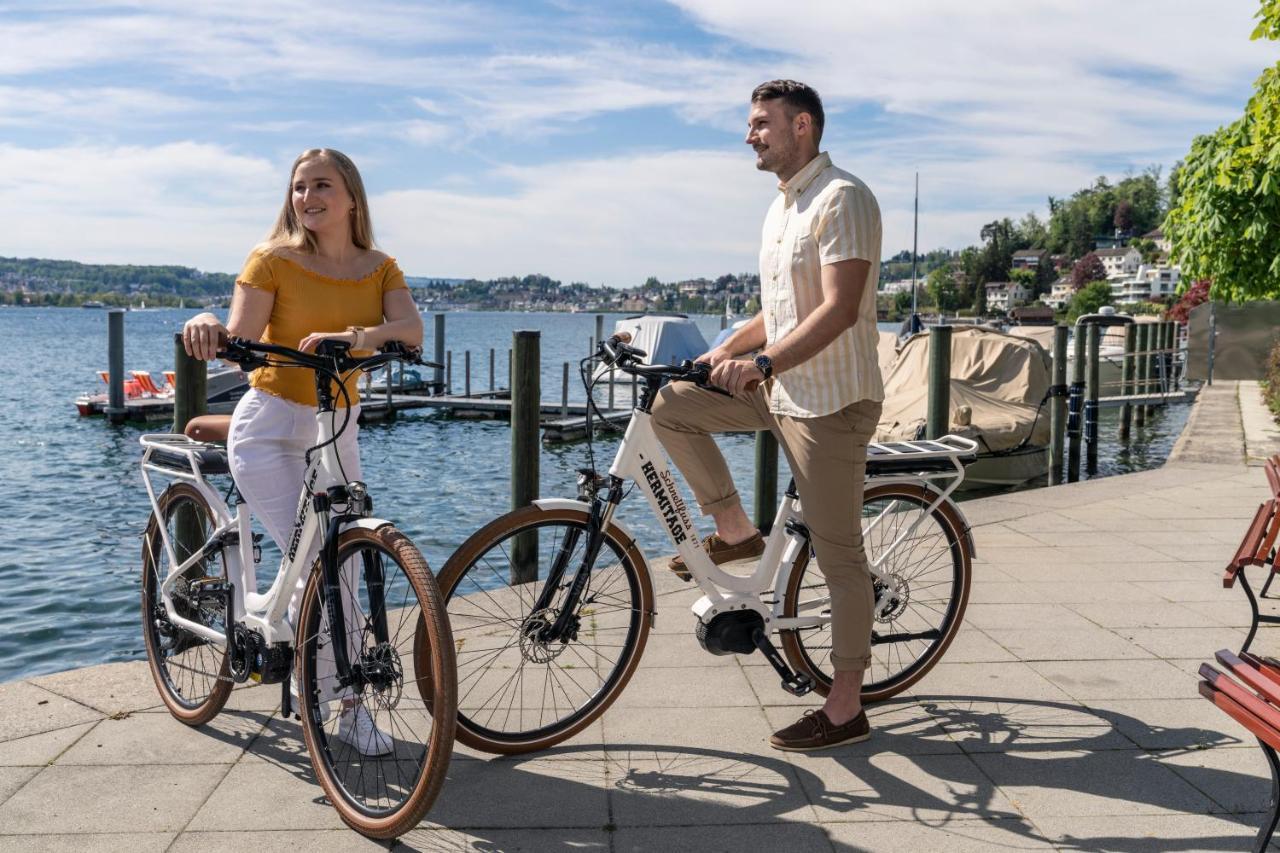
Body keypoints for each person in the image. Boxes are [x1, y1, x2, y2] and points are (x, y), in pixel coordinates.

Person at [651, 80, 884, 751]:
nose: (749, 136)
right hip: (779, 385)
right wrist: (725, 349)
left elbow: (838, 308)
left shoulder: (844, 198)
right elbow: (780, 308)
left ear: (802, 126)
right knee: (671, 404)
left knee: (839, 555)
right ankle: (734, 527)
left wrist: (766, 362)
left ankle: (845, 705)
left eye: (761, 124)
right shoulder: (783, 207)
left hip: (830, 401)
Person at [182, 148, 423, 755]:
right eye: (297, 187)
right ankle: (340, 702)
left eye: (321, 186)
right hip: (269, 429)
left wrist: (357, 338)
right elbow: (239, 336)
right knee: (323, 562)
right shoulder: (273, 259)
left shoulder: (380, 268)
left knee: (342, 556)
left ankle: (329, 688)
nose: (307, 197)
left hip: (338, 425)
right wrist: (209, 321)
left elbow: (411, 331)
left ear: (351, 198)